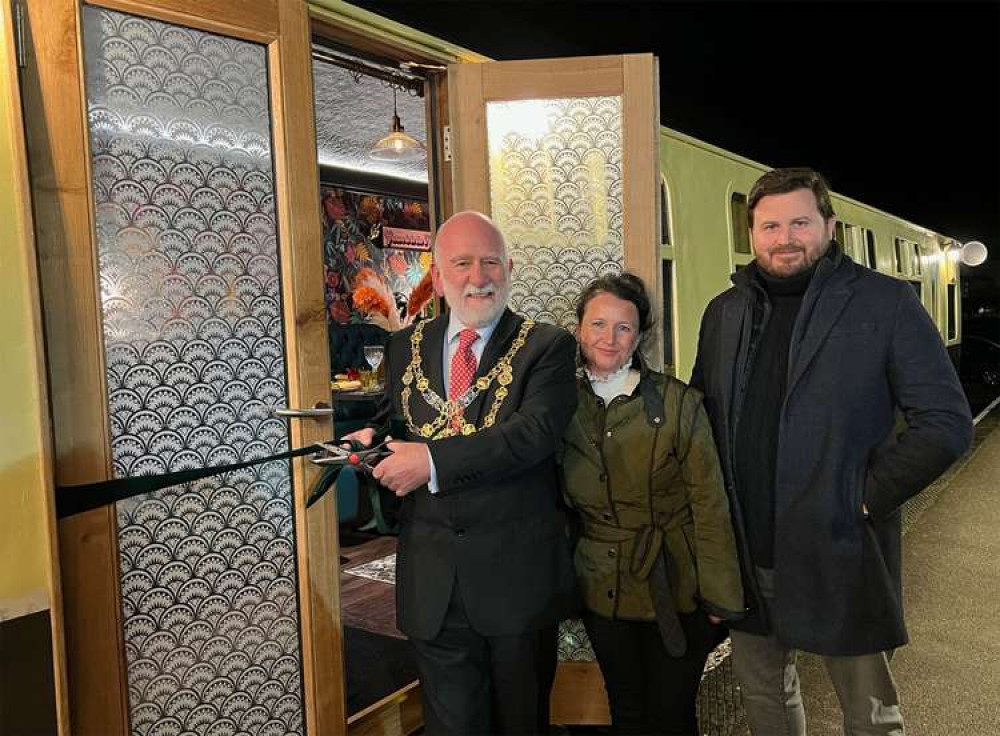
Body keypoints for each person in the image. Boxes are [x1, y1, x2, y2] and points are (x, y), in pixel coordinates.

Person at [690, 167, 974, 735]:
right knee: (765, 698)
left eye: (800, 222)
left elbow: (947, 423)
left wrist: (862, 499)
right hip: (751, 550)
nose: (784, 237)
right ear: (751, 233)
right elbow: (704, 423)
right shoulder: (725, 311)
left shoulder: (883, 302)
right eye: (769, 225)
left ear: (829, 225)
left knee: (869, 714)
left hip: (841, 543)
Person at [343, 210, 578, 735]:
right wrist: (369, 443)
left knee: (521, 725)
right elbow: (394, 423)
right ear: (440, 273)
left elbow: (532, 435)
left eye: (491, 262)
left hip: (516, 582)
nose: (479, 277)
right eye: (463, 263)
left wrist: (429, 461)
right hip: (432, 581)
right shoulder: (406, 346)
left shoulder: (548, 346)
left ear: (510, 268)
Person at [560, 272, 743, 735]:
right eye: (598, 324)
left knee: (672, 716)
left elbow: (709, 502)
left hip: (675, 585)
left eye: (623, 327)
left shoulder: (680, 404)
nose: (609, 338)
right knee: (625, 711)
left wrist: (721, 595)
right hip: (601, 588)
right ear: (579, 329)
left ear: (640, 335)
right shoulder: (557, 404)